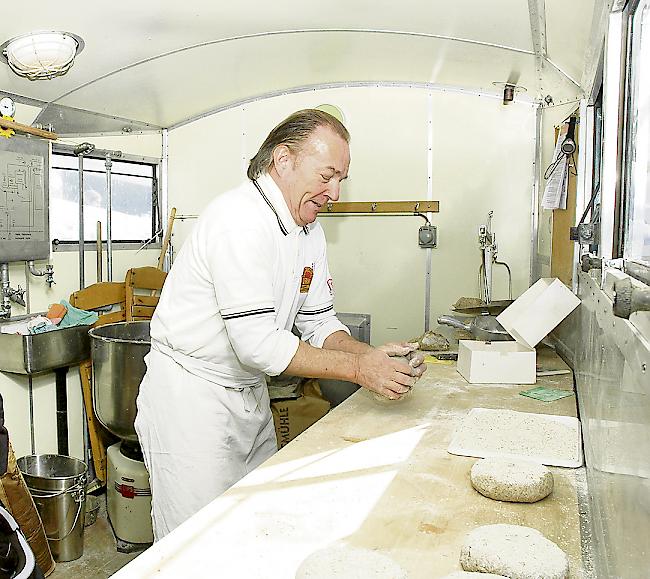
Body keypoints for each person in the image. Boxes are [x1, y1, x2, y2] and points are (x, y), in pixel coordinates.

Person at [135, 109, 427, 539]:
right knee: (194, 546)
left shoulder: (309, 231)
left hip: (249, 395)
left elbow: (319, 321)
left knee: (253, 527)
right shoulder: (238, 220)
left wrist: (375, 357)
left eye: (341, 179)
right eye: (328, 175)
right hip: (192, 401)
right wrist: (361, 371)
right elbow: (257, 344)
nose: (335, 191)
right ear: (284, 159)